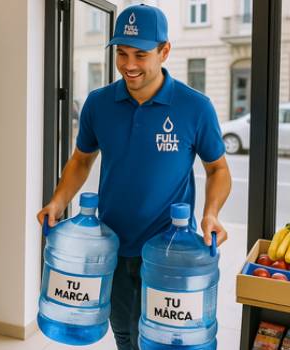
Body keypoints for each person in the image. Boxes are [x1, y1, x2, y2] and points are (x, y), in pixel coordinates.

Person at [35, 4, 232, 349]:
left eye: (140, 54)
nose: (128, 65)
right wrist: (58, 200)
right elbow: (82, 160)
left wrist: (211, 214)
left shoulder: (194, 107)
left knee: (162, 340)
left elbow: (217, 169)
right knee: (124, 333)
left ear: (164, 51)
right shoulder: (99, 104)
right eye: (121, 53)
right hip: (111, 245)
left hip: (170, 252)